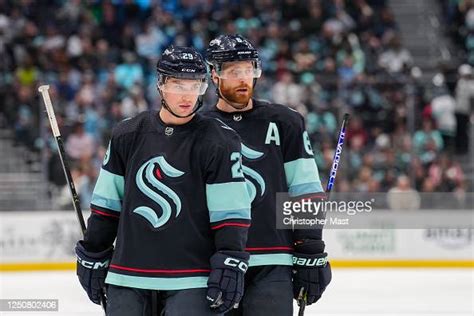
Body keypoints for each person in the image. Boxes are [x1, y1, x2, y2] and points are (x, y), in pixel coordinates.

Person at [74, 45, 252, 316]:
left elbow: (230, 215)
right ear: (160, 85)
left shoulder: (220, 140)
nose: (187, 96)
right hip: (127, 275)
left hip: (192, 277)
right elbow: (107, 206)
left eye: (195, 87)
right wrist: (93, 252)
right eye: (178, 85)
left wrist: (230, 260)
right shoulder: (127, 133)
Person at [204, 34, 331, 315]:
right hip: (212, 261)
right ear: (214, 75)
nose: (243, 79)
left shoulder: (285, 121)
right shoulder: (199, 127)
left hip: (273, 260)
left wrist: (310, 247)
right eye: (234, 71)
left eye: (248, 70)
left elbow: (305, 190)